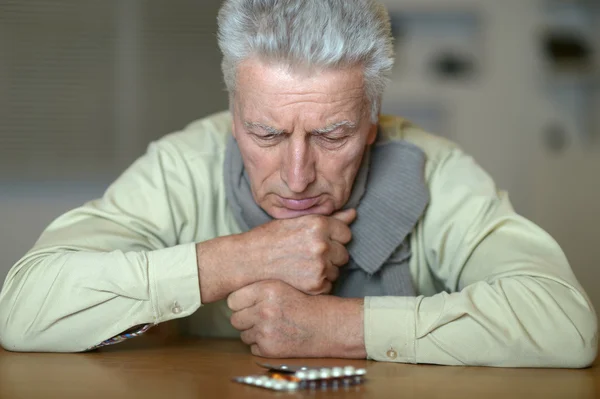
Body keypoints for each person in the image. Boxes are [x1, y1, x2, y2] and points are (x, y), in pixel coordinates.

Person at [0, 0, 597, 367]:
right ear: (233, 116)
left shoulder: (435, 170)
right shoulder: (184, 163)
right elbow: (24, 309)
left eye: (332, 135)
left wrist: (341, 328)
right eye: (265, 134)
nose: (296, 176)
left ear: (371, 120)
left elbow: (565, 326)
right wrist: (232, 260)